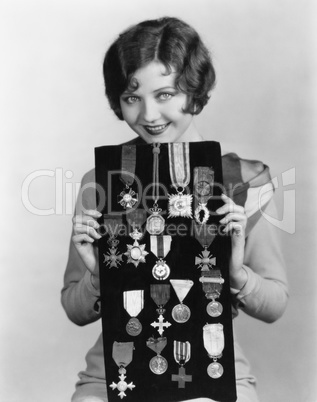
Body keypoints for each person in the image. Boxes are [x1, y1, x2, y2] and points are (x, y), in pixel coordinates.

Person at [61, 17, 288, 402]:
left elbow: (275, 304)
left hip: (215, 370)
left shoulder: (243, 180)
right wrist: (99, 277)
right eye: (132, 97)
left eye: (165, 94)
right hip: (114, 375)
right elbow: (74, 307)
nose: (148, 115)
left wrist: (236, 273)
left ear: (194, 91)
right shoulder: (100, 181)